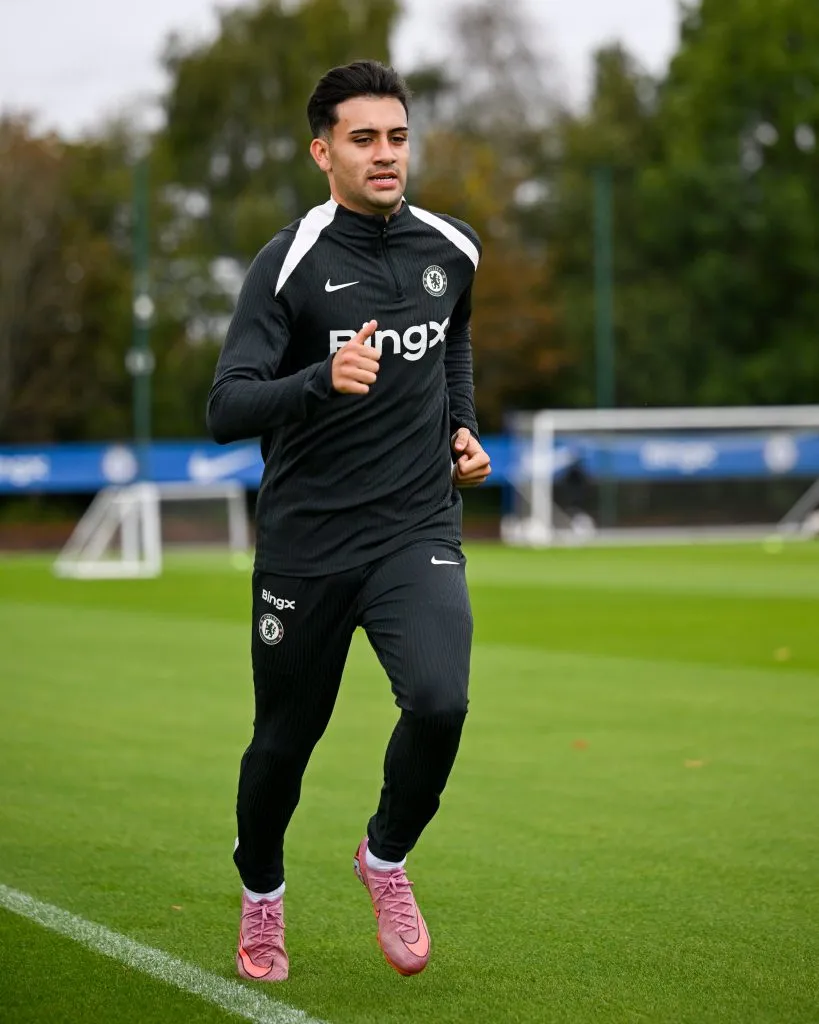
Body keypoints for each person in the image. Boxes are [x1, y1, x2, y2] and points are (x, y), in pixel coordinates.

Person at [207, 58, 491, 982]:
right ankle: (261, 898)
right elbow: (227, 405)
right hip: (306, 545)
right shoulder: (288, 261)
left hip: (416, 529)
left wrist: (462, 429)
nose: (386, 155)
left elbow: (451, 351)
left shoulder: (453, 249)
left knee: (441, 701)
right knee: (283, 745)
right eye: (363, 138)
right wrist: (318, 381)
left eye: (398, 136)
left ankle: (385, 858)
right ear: (321, 150)